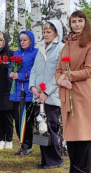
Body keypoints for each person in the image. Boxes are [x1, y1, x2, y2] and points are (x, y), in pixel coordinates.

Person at [55, 10, 91, 173]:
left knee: (83, 135)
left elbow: (88, 71)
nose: (77, 24)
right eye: (74, 21)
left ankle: (83, 170)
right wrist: (59, 79)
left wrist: (68, 76)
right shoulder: (67, 43)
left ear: (85, 22)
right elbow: (58, 69)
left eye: (80, 21)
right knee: (72, 138)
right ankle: (74, 170)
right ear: (70, 24)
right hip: (67, 93)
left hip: (80, 94)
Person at [29, 20, 63, 169]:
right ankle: (45, 159)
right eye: (44, 32)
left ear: (56, 32)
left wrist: (46, 92)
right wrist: (33, 88)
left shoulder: (61, 48)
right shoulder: (40, 48)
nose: (46, 34)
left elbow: (59, 74)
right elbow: (34, 70)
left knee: (50, 128)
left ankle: (55, 160)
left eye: (49, 32)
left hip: (51, 96)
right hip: (38, 96)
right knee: (41, 128)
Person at [9, 30, 38, 155]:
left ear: (31, 41)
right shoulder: (16, 52)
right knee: (18, 119)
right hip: (16, 91)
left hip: (28, 91)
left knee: (27, 120)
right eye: (21, 40)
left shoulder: (35, 53)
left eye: (25, 40)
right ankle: (21, 144)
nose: (22, 42)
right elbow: (10, 68)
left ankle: (28, 145)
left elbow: (36, 71)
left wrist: (21, 75)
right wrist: (10, 74)